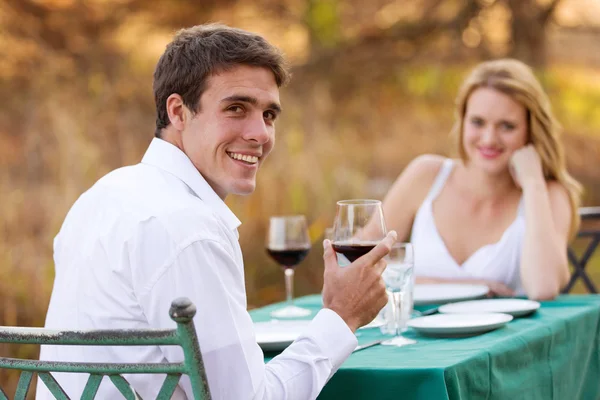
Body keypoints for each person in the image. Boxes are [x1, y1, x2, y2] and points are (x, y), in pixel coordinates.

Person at [37, 24, 395, 400]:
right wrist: (342, 316)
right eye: (236, 108)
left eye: (269, 115)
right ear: (178, 111)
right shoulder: (187, 226)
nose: (260, 134)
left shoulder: (101, 196)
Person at [381, 58, 581, 300]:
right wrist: (465, 288)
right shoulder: (425, 176)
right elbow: (356, 266)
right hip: (416, 336)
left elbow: (544, 288)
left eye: (507, 126)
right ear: (462, 121)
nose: (488, 139)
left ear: (531, 130)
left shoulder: (548, 194)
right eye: (478, 122)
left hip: (509, 338)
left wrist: (533, 184)